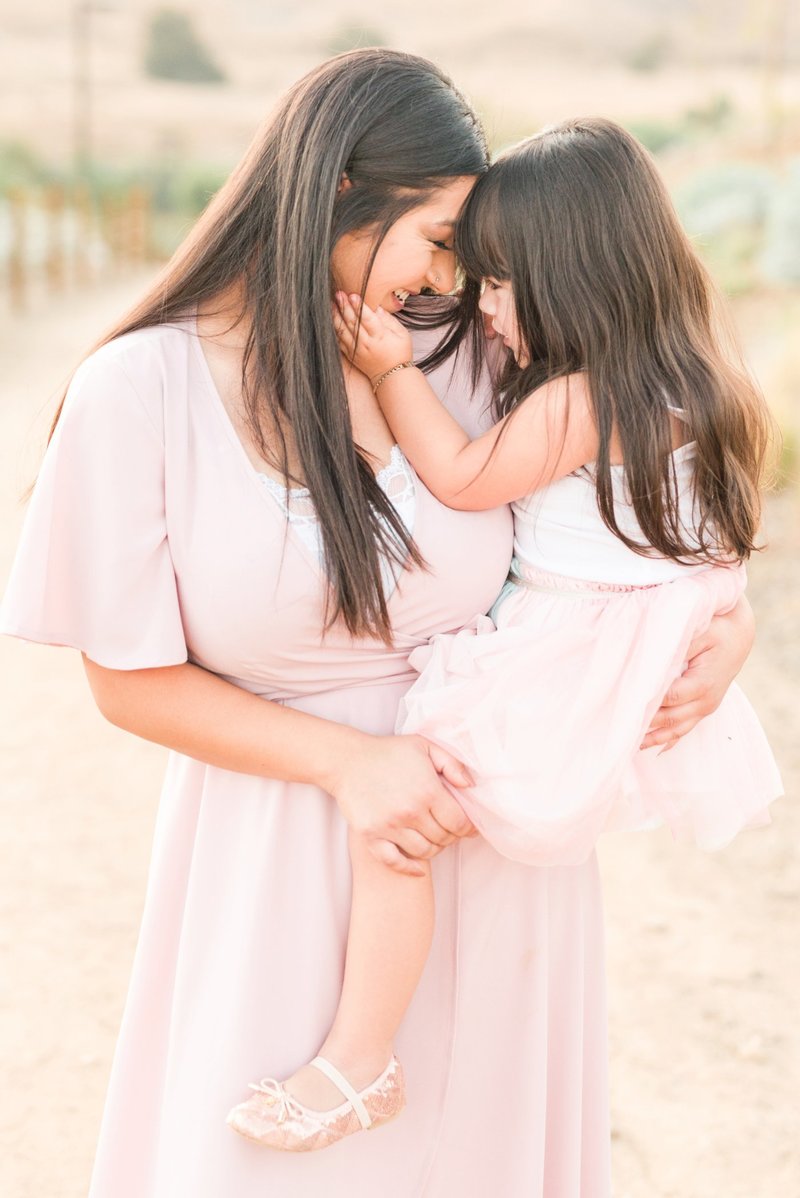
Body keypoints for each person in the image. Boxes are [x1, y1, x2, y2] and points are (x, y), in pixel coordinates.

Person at [0, 55, 757, 1197]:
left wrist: (725, 625)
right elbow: (129, 682)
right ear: (343, 193)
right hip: (280, 852)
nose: (449, 274)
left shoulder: (467, 355)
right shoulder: (138, 391)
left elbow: (635, 516)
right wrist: (352, 765)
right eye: (438, 235)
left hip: (489, 853)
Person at [227, 115, 783, 1155]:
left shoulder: (584, 399)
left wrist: (390, 368)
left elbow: (460, 477)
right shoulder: (697, 381)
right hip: (609, 660)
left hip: (557, 667)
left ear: (575, 273)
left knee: (399, 823)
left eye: (496, 282)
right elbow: (717, 555)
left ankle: (357, 1060)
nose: (479, 306)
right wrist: (729, 624)